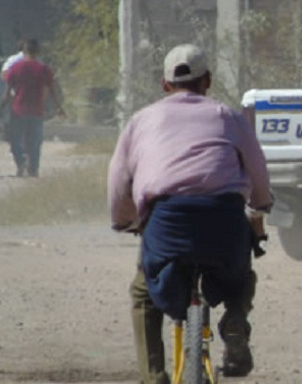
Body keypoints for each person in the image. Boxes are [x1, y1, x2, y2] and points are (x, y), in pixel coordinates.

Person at [108, 43, 273, 384]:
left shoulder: (142, 120)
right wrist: (260, 205)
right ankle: (235, 318)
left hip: (167, 222)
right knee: (241, 277)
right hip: (224, 220)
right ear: (207, 80)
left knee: (144, 293)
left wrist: (125, 220)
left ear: (164, 84)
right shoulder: (228, 117)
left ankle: (154, 376)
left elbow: (118, 180)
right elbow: (257, 169)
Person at [3, 39, 64, 177]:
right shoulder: (43, 69)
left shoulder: (15, 68)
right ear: (38, 52)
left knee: (15, 140)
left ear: (24, 52)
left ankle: (21, 162)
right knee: (34, 142)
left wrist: (3, 106)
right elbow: (52, 89)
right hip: (37, 110)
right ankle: (33, 169)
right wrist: (58, 107)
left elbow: (7, 91)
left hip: (18, 110)